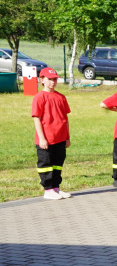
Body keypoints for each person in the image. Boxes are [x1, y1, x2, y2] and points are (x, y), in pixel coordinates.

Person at [31, 67, 72, 200]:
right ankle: (48, 190)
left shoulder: (61, 97)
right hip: (46, 139)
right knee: (46, 164)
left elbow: (65, 119)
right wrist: (42, 138)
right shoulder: (39, 97)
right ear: (41, 80)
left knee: (57, 163)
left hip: (60, 138)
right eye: (49, 79)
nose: (52, 82)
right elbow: (36, 118)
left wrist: (67, 137)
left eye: (54, 79)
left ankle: (55, 188)